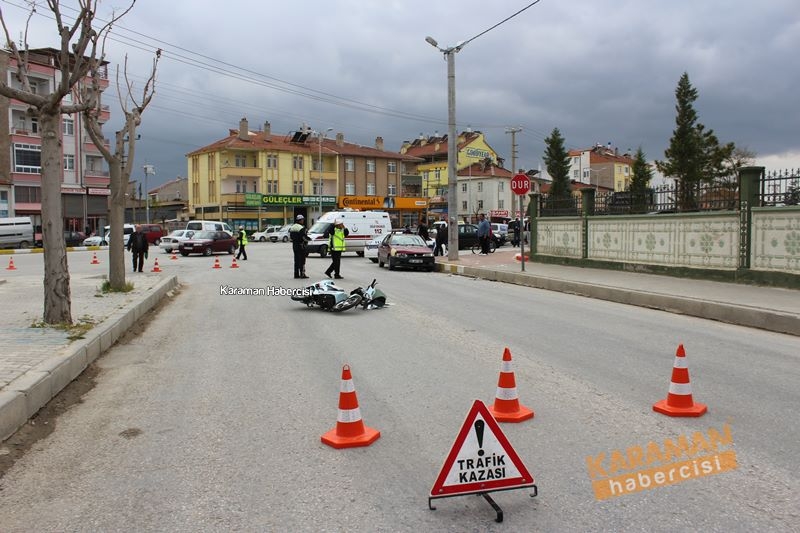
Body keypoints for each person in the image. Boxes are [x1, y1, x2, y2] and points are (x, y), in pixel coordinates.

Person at [289, 214, 309, 279]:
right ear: (300, 220)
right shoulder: (301, 228)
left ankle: (296, 274)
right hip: (301, 246)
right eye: (302, 220)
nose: (303, 221)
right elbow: (304, 237)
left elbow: (291, 237)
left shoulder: (292, 227)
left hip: (295, 246)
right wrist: (308, 240)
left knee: (296, 260)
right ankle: (302, 274)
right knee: (302, 260)